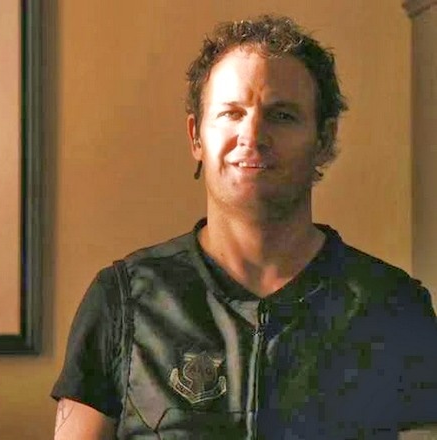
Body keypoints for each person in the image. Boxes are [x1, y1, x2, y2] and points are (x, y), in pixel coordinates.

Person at [51, 15, 437, 439]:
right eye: (231, 113)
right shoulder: (122, 301)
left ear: (324, 139)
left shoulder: (394, 307)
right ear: (196, 136)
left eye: (282, 116)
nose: (252, 135)